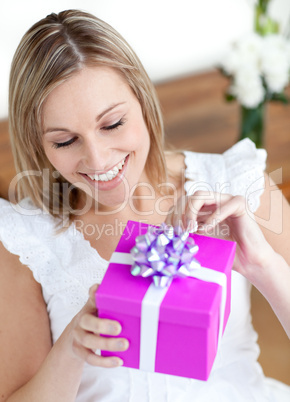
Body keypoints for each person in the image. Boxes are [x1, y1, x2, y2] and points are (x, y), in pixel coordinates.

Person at [0, 9, 289, 402]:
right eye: (65, 142)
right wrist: (70, 350)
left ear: (142, 98)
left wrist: (266, 268)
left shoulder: (235, 185)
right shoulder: (24, 241)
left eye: (112, 124)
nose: (99, 160)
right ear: (38, 144)